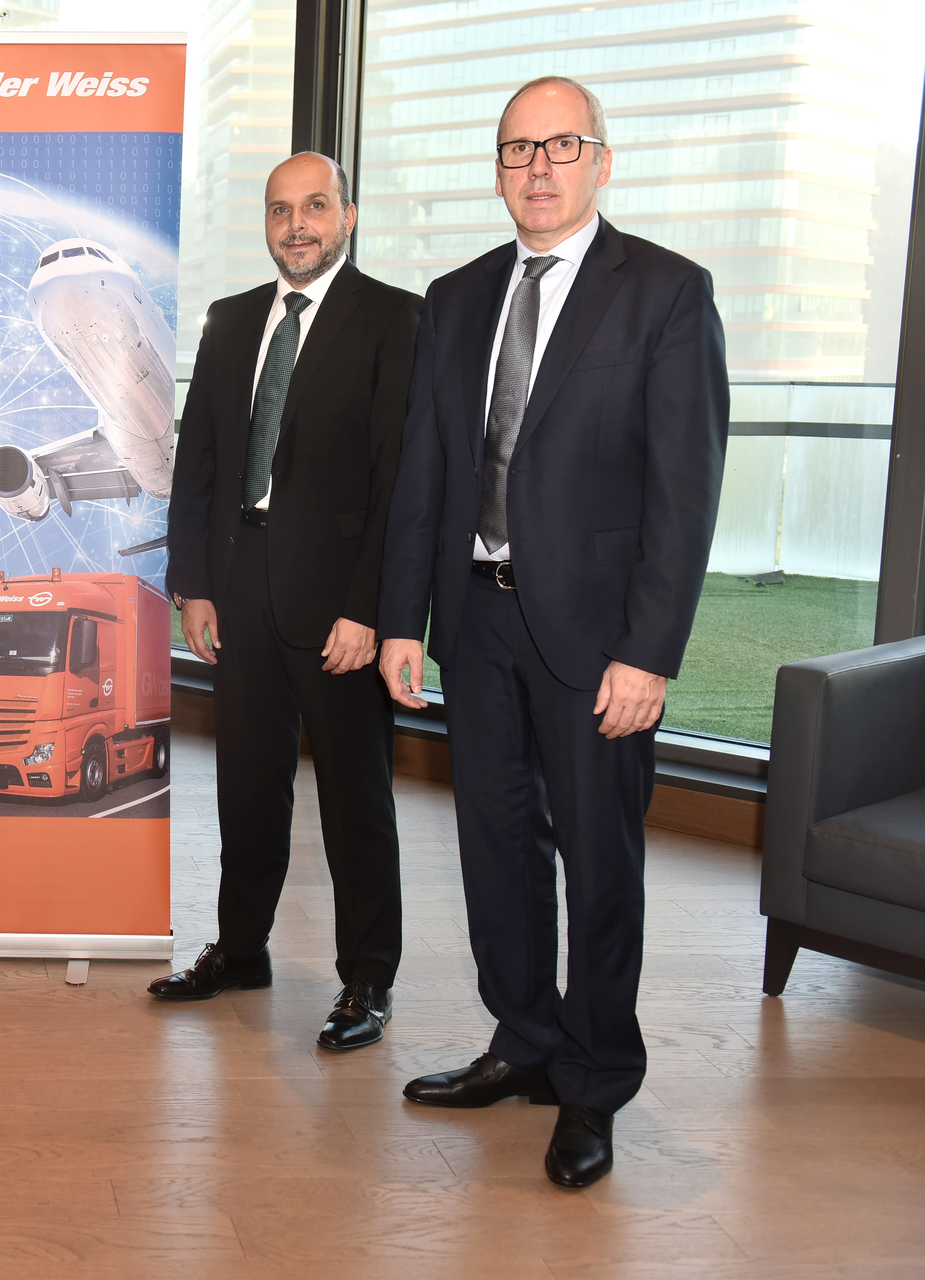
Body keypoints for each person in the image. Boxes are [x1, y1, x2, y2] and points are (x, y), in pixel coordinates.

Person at [377, 77, 728, 1187]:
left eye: (561, 145)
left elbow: (686, 490)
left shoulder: (667, 294)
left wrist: (651, 651)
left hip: (595, 638)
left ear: (602, 161)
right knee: (494, 849)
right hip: (475, 623)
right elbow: (425, 471)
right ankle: (522, 1042)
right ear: (496, 168)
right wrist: (402, 622)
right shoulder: (456, 294)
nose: (538, 166)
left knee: (600, 861)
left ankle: (593, 1078)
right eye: (517, 148)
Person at [154, 153, 420, 1051]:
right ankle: (241, 950)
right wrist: (191, 585)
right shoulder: (230, 322)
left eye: (314, 206)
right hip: (238, 588)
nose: (296, 224)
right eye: (280, 209)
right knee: (245, 789)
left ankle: (368, 983)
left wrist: (370, 607)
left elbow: (397, 481)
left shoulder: (393, 319)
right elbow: (198, 464)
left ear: (348, 213)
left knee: (355, 801)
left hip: (338, 609)